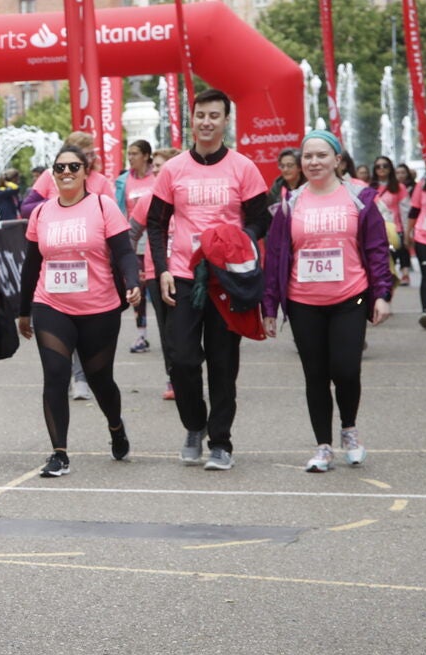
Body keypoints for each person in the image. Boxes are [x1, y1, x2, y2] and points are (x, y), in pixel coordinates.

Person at [147, 88, 272, 471]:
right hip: (184, 277)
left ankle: (220, 442)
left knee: (223, 363)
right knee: (182, 360)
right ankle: (194, 425)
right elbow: (156, 223)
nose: (206, 122)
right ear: (193, 119)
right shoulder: (173, 169)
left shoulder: (242, 167)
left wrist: (238, 240)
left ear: (225, 121)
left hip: (226, 280)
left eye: (214, 116)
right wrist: (163, 269)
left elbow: (261, 218)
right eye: (200, 115)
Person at [263, 130, 392, 471]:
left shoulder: (360, 198)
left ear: (337, 160)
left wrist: (382, 294)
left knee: (346, 370)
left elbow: (377, 249)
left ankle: (349, 429)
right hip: (303, 302)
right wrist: (269, 307)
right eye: (308, 156)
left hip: (350, 298)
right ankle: (322, 446)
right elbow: (274, 256)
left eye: (321, 155)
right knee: (315, 375)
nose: (314, 162)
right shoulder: (290, 204)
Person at [18, 145, 142, 477]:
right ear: (52, 174)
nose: (66, 172)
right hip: (51, 305)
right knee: (55, 374)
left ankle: (115, 426)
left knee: (100, 380)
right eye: (60, 167)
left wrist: (132, 281)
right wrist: (23, 310)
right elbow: (31, 265)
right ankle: (59, 453)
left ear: (86, 172)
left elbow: (123, 252)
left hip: (99, 308)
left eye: (74, 166)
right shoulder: (41, 213)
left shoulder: (102, 206)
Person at [127, 147, 181, 400]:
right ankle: (173, 379)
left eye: (161, 166)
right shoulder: (148, 199)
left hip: (188, 272)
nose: (156, 170)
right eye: (155, 166)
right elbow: (130, 235)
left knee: (189, 330)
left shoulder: (188, 197)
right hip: (155, 273)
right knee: (167, 329)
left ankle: (191, 374)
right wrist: (131, 268)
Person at [116, 140, 156, 352]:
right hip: (134, 240)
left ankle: (173, 332)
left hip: (157, 241)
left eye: (134, 154)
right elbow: (119, 209)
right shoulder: (124, 180)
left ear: (146, 155)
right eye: (129, 153)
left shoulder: (157, 177)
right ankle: (142, 335)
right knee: (136, 289)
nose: (130, 157)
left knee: (159, 289)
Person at [19, 131, 116, 217]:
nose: (90, 160)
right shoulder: (50, 175)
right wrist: (57, 202)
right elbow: (25, 209)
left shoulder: (100, 180)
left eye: (92, 154)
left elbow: (112, 213)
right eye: (85, 155)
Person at [405, 150, 426, 328]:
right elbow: (414, 210)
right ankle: (425, 312)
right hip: (424, 237)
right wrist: (408, 233)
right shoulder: (423, 184)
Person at [370, 155, 409, 289]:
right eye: (378, 166)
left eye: (385, 166)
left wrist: (407, 233)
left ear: (390, 168)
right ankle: (384, 292)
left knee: (390, 262)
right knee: (382, 265)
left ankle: (388, 290)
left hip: (394, 232)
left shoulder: (399, 187)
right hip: (375, 233)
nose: (381, 169)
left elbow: (405, 212)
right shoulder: (369, 188)